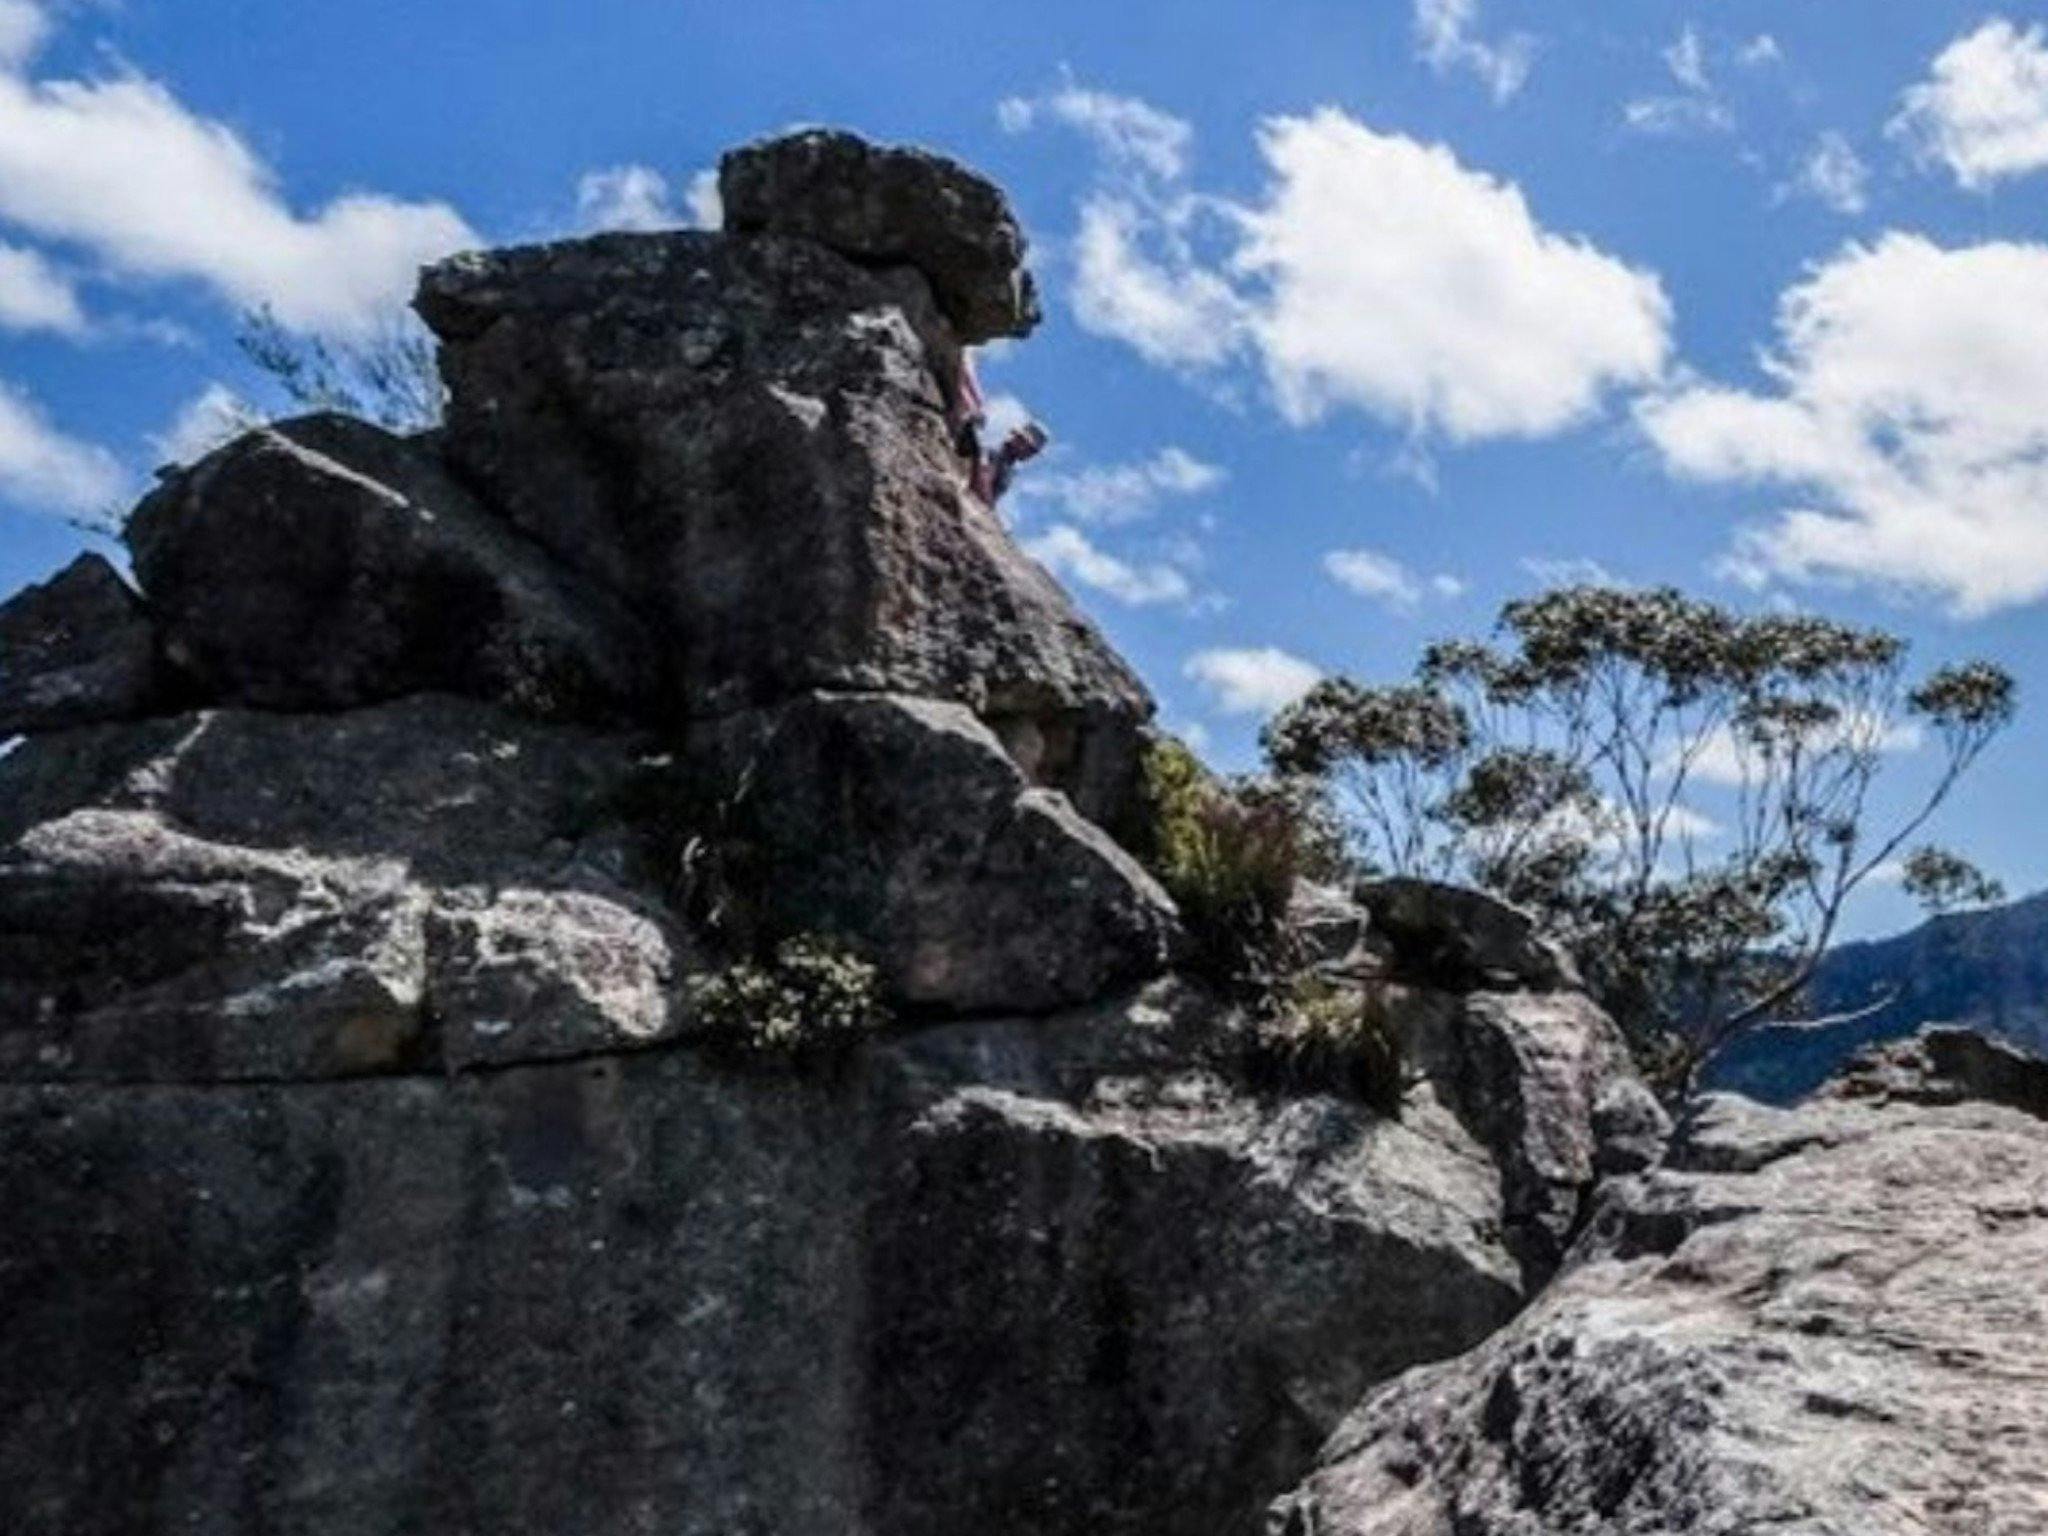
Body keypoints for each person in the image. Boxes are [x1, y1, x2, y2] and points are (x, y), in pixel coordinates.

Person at [949, 352, 1048, 506]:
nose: (1027, 453)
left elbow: (986, 499)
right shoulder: (995, 453)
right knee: (975, 405)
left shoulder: (1005, 471)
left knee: (974, 406)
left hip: (965, 494)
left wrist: (980, 459)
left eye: (1028, 449)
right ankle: (961, 360)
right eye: (1022, 441)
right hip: (959, 459)